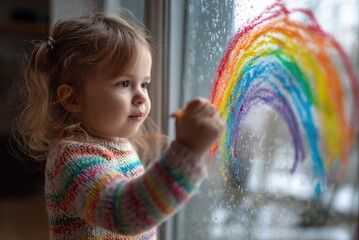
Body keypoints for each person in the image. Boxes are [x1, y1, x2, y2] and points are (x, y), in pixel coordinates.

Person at [13, 12, 224, 240]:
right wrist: (187, 151)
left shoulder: (119, 144)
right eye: (124, 83)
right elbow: (124, 213)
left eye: (144, 84)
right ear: (73, 98)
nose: (142, 97)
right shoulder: (71, 159)